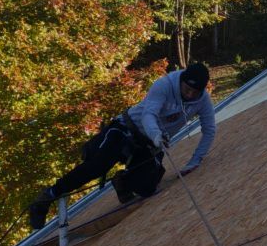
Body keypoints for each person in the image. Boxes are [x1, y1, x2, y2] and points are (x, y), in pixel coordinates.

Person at [28, 62, 216, 230]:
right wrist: (156, 134)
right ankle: (48, 196)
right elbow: (148, 115)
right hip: (126, 129)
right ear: (181, 81)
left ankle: (122, 182)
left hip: (150, 144)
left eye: (195, 92)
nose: (190, 95)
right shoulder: (165, 85)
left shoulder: (202, 100)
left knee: (147, 188)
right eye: (187, 89)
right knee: (98, 165)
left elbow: (209, 129)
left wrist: (195, 160)